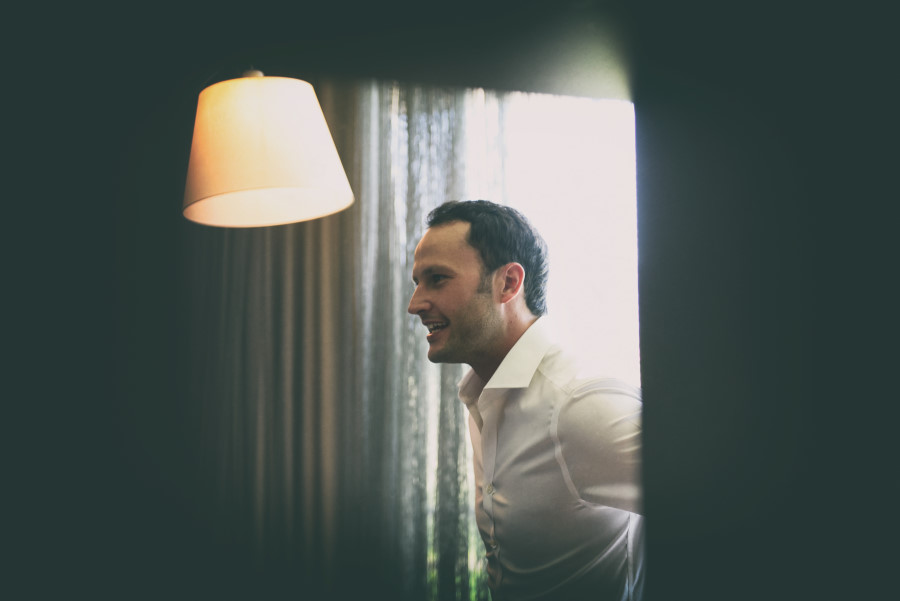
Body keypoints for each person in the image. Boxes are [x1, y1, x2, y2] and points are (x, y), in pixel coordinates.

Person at [407, 200, 644, 601]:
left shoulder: (579, 404)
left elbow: (722, 507)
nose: (415, 304)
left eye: (437, 279)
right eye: (417, 282)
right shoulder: (482, 394)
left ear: (508, 284)